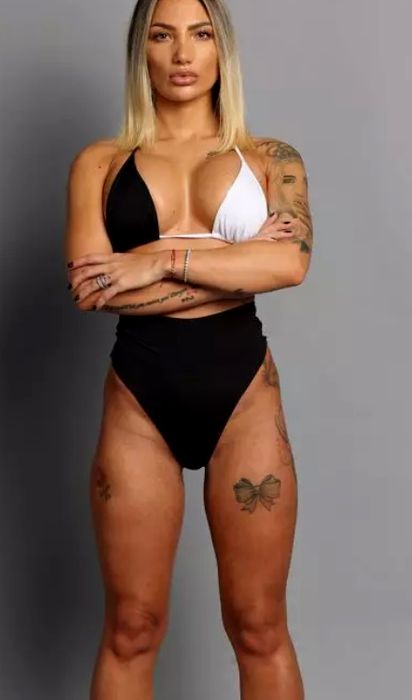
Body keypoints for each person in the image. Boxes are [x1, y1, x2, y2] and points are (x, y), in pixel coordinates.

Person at [65, 0, 312, 697]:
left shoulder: (271, 159)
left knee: (259, 625)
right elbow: (93, 289)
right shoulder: (100, 163)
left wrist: (153, 261)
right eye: (162, 35)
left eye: (200, 35)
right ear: (140, 51)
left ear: (220, 50)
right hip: (139, 400)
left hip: (243, 398)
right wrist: (230, 263)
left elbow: (289, 263)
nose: (182, 54)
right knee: (132, 627)